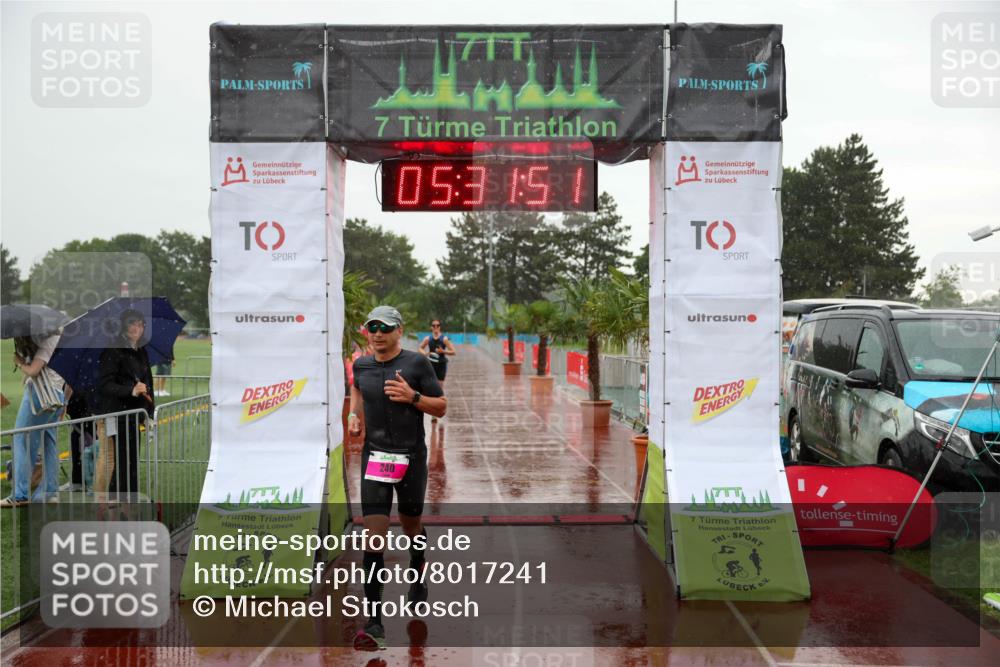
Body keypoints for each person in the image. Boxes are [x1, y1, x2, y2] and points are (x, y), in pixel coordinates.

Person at [348, 306, 447, 650]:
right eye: (372, 327)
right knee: (373, 537)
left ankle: (418, 568)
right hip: (375, 458)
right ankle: (374, 623)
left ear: (399, 331)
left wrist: (413, 397)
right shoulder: (362, 365)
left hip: (411, 459)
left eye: (385, 328)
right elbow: (357, 389)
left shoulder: (416, 364)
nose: (377, 333)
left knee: (410, 525)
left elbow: (441, 406)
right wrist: (353, 415)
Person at [95, 309, 155, 501]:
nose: (137, 328)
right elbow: (105, 384)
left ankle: (130, 499)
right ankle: (115, 501)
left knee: (132, 460)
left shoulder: (142, 350)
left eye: (141, 324)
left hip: (135, 414)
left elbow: (148, 381)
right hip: (117, 413)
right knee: (120, 461)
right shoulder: (113, 351)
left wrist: (150, 412)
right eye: (132, 324)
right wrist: (131, 390)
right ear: (124, 326)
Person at [1, 331, 66, 507]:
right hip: (57, 395)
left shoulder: (48, 339)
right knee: (49, 441)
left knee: (21, 439)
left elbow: (34, 371)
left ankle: (20, 494)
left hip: (40, 396)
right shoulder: (58, 337)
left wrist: (20, 363)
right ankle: (50, 492)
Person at [418, 320, 456, 424]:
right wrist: (424, 353)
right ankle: (434, 414)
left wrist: (443, 351)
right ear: (431, 327)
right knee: (432, 387)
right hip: (431, 364)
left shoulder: (444, 339)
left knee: (440, 387)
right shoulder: (428, 338)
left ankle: (440, 408)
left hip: (441, 365)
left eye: (437, 325)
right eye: (433, 325)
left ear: (440, 327)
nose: (435, 327)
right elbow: (420, 348)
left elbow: (453, 351)